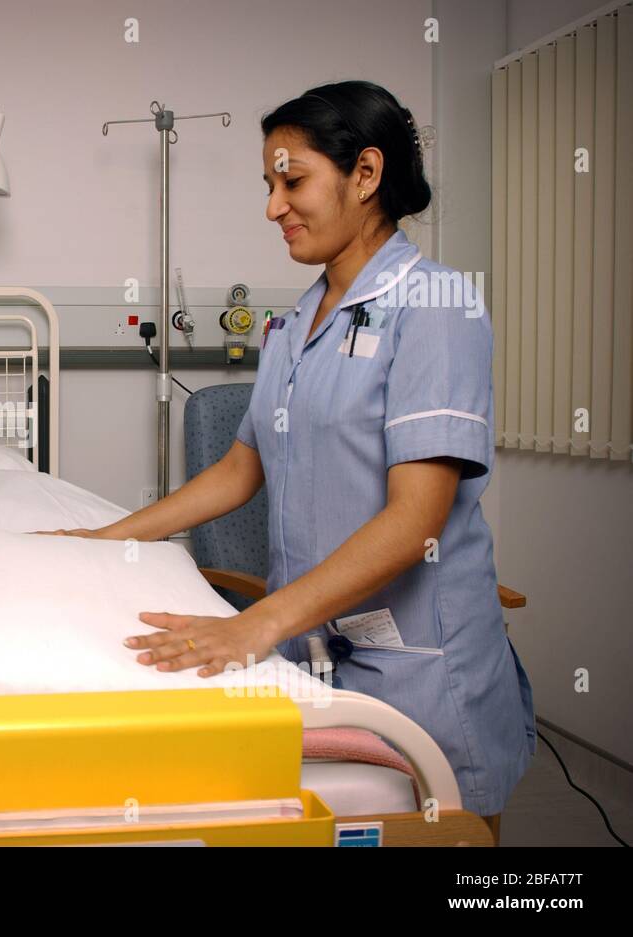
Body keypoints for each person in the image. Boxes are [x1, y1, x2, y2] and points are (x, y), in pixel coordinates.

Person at [50, 81, 535, 821]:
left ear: (366, 174)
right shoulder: (295, 321)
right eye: (270, 183)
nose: (273, 205)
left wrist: (259, 621)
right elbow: (241, 468)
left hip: (420, 670)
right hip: (313, 655)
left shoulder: (437, 309)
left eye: (293, 179)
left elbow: (416, 522)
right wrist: (100, 540)